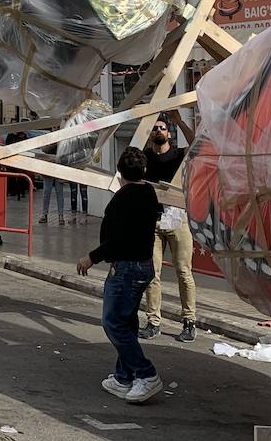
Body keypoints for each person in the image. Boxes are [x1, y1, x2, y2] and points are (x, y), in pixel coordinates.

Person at [77, 147, 163, 404]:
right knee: (127, 322)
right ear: (143, 171)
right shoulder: (148, 193)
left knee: (113, 322)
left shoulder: (124, 198)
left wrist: (91, 257)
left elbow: (116, 240)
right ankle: (124, 376)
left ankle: (146, 374)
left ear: (119, 172)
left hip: (127, 268)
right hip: (142, 266)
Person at [140, 110, 198, 342]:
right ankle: (153, 322)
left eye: (162, 128)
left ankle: (189, 321)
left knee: (184, 272)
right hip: (152, 221)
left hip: (178, 219)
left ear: (169, 134)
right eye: (154, 128)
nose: (158, 131)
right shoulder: (144, 156)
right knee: (152, 273)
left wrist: (179, 121)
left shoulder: (177, 155)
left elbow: (196, 144)